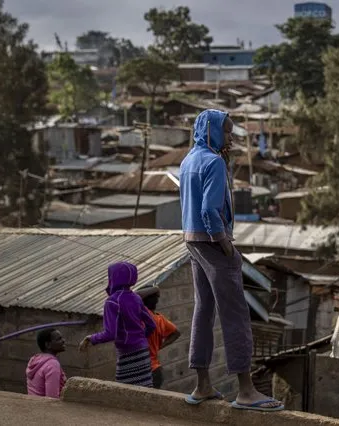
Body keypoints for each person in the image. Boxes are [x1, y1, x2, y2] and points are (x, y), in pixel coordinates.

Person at [180, 109, 283, 411]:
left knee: (203, 310)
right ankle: (247, 391)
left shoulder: (188, 161)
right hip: (213, 244)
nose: (229, 138)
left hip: (192, 243)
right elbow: (210, 211)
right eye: (225, 132)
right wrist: (224, 243)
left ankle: (202, 385)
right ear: (211, 130)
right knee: (236, 315)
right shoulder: (213, 162)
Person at [79, 262, 156, 388]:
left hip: (127, 352)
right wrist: (140, 337)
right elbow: (151, 325)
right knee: (144, 387)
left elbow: (110, 333)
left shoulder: (112, 302)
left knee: (125, 390)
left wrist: (90, 338)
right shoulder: (136, 298)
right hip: (142, 351)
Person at [137, 286, 181, 389]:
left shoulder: (141, 315)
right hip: (155, 370)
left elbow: (136, 295)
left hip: (142, 370)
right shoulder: (160, 319)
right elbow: (176, 333)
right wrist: (160, 346)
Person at [26, 329, 67, 398]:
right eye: (59, 339)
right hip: (44, 407)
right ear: (48, 345)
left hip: (33, 405)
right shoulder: (52, 364)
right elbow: (52, 398)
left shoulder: (34, 359)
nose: (63, 340)